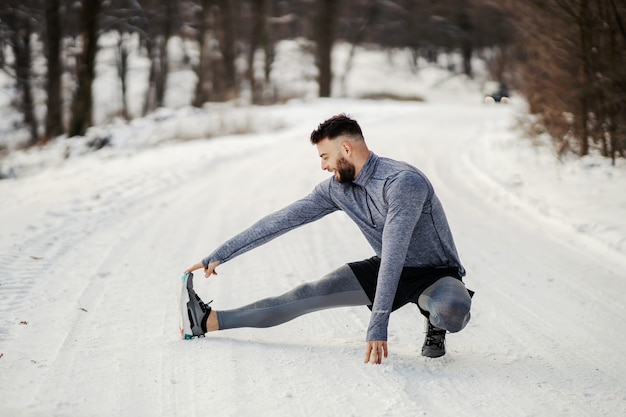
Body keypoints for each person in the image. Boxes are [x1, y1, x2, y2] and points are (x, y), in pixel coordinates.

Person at [183, 114, 473, 365]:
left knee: (451, 311)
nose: (323, 166)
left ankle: (435, 322)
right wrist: (222, 253)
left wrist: (378, 324)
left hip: (434, 274)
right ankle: (207, 320)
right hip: (385, 265)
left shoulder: (402, 183)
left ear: (346, 149)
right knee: (304, 295)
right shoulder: (337, 189)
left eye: (325, 157)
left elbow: (397, 250)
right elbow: (283, 219)